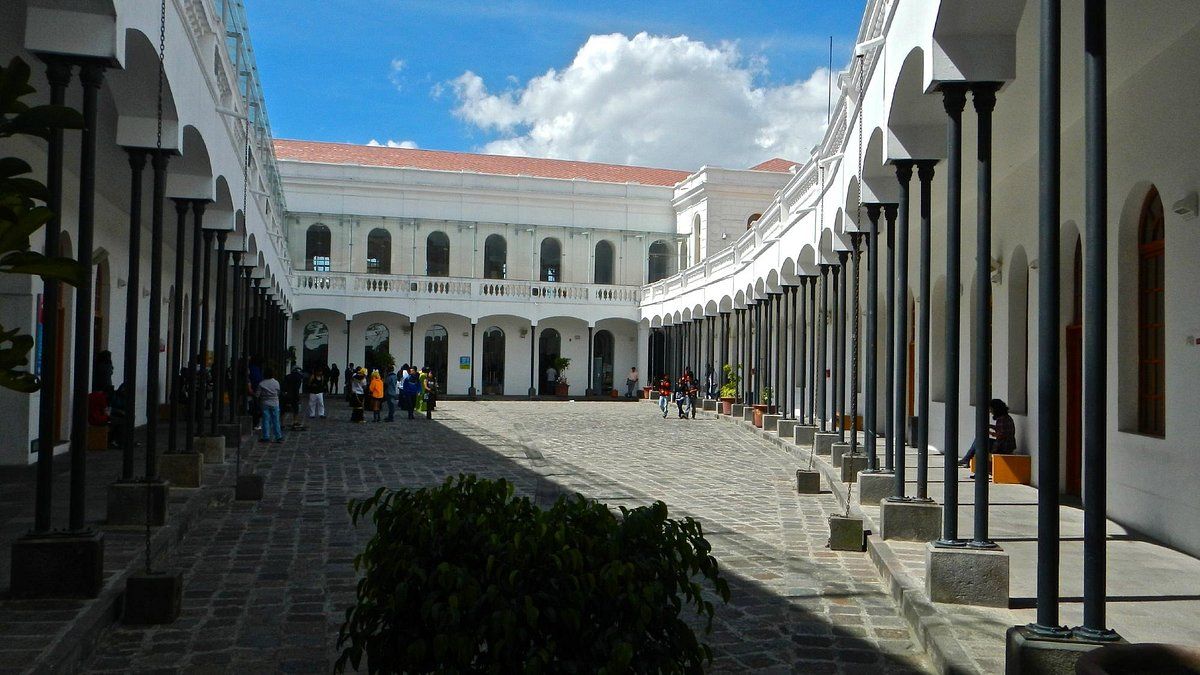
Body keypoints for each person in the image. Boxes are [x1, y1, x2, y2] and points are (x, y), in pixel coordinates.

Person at [960, 398, 1018, 476]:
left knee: (980, 443)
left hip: (1003, 447)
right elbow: (1001, 429)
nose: (990, 411)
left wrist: (989, 432)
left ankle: (968, 462)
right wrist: (990, 426)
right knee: (979, 442)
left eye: (991, 409)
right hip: (1007, 445)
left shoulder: (1002, 419)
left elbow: (1001, 435)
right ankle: (967, 460)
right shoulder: (1006, 417)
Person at [257, 367, 283, 443]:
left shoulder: (262, 383)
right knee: (276, 420)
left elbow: (258, 394)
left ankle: (266, 436)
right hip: (275, 403)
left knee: (265, 420)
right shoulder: (276, 382)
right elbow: (278, 392)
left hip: (265, 403)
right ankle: (278, 436)